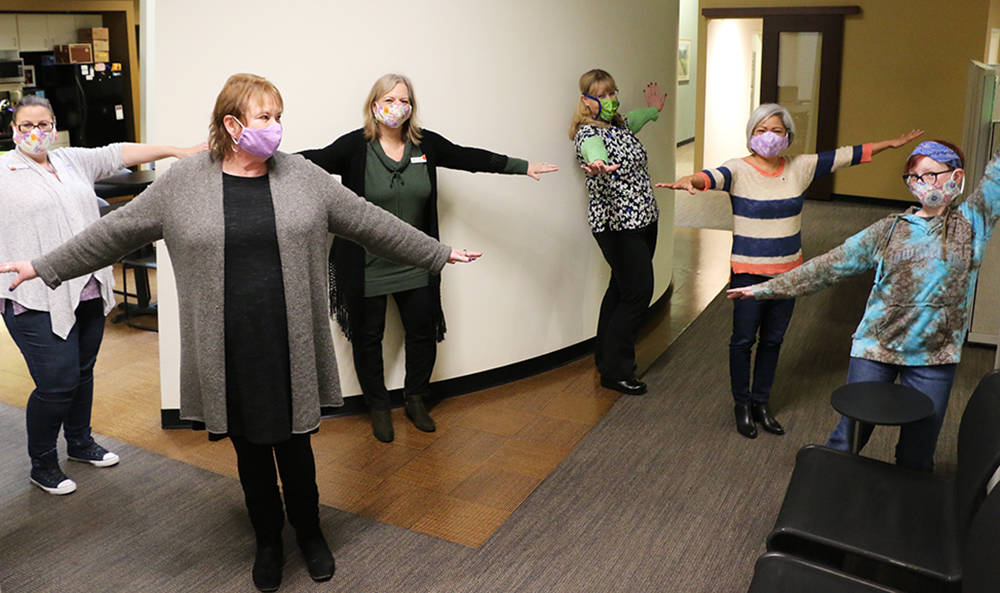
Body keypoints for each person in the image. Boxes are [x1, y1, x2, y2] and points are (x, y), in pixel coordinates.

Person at [1, 73, 478, 592]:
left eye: (279, 116)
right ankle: (268, 538)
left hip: (289, 340)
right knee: (250, 451)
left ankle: (311, 531)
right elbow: (111, 233)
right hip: (228, 346)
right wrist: (42, 266)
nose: (276, 128)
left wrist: (436, 252)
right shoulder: (183, 184)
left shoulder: (302, 176)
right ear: (231, 124)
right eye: (265, 118)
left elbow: (368, 221)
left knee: (297, 448)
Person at [299, 73, 557, 443]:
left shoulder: (424, 145)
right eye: (389, 99)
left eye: (404, 100)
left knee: (421, 332)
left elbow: (468, 157)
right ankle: (377, 406)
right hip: (365, 263)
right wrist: (251, 160)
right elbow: (309, 162)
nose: (397, 107)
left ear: (411, 107)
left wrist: (520, 166)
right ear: (374, 106)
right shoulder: (354, 147)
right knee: (367, 337)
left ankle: (416, 398)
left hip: (416, 259)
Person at [728, 141, 1000, 470]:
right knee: (848, 438)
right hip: (875, 348)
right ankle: (826, 499)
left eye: (930, 174)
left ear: (956, 176)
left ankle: (903, 513)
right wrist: (767, 289)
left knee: (917, 453)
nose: (921, 183)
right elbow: (830, 266)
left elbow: (996, 178)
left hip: (934, 355)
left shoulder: (972, 224)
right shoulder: (890, 229)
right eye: (914, 177)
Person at [658, 103, 922, 438]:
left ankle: (761, 402)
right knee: (742, 340)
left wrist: (891, 144)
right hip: (748, 274)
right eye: (761, 130)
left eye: (776, 130)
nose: (768, 136)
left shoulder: (800, 167)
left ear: (788, 136)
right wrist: (690, 179)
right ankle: (742, 404)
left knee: (773, 340)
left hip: (789, 275)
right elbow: (710, 177)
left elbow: (845, 155)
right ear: (751, 135)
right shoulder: (737, 169)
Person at [0, 95, 206, 497]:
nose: (35, 133)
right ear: (13, 130)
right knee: (56, 382)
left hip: (87, 287)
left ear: (54, 128)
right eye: (26, 126)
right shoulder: (3, 172)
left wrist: (175, 150)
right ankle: (42, 464)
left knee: (81, 371)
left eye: (43, 125)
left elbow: (119, 152)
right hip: (32, 295)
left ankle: (79, 443)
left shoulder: (70, 160)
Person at [571, 68, 665, 396]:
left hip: (644, 219)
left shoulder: (621, 124)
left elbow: (637, 118)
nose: (610, 100)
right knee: (638, 293)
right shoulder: (588, 135)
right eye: (602, 94)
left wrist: (653, 110)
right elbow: (593, 151)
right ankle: (617, 370)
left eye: (613, 92)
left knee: (621, 289)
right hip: (617, 225)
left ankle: (604, 358)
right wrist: (597, 163)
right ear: (587, 101)